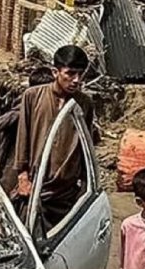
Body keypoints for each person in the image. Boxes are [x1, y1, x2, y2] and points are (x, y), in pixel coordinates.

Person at [14, 45, 95, 229]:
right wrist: (23, 178)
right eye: (70, 73)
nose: (76, 80)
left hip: (66, 193)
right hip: (36, 189)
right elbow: (23, 137)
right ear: (55, 72)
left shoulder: (84, 104)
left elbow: (86, 147)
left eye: (80, 74)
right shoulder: (33, 96)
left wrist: (85, 185)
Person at [0, 67, 56, 195]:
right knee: (6, 194)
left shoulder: (52, 108)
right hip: (15, 161)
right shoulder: (22, 110)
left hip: (39, 163)